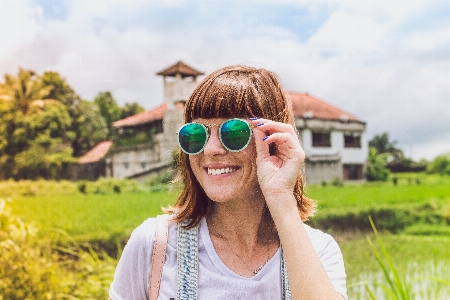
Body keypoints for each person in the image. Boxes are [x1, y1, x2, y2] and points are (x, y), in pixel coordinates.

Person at [109, 66, 347, 299]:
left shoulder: (317, 251)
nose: (211, 149)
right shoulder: (154, 244)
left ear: (273, 140)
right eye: (195, 135)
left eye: (234, 133)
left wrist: (282, 199)